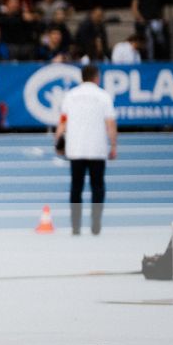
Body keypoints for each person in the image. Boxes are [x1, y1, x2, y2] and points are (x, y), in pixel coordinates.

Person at [56, 63, 116, 235]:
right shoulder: (103, 96)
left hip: (76, 148)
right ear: (96, 77)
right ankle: (96, 224)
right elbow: (110, 123)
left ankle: (76, 226)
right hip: (97, 148)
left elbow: (62, 121)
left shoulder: (71, 96)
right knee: (97, 186)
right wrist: (114, 145)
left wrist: (57, 143)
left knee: (76, 187)